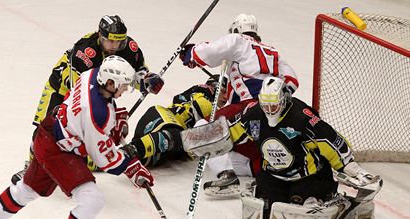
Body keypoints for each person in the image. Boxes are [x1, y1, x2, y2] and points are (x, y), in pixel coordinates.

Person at [0, 56, 154, 219]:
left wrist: (112, 123)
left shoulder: (92, 74)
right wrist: (130, 165)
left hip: (48, 133)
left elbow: (91, 118)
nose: (125, 89)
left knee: (27, 190)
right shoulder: (96, 113)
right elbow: (103, 159)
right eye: (123, 85)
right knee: (92, 200)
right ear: (110, 83)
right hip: (60, 152)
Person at [11, 15, 164, 184]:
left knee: (91, 131)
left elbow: (136, 71)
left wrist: (146, 80)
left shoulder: (129, 48)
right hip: (61, 89)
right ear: (100, 36)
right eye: (110, 42)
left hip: (98, 90)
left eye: (119, 42)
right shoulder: (85, 53)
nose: (115, 46)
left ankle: (93, 156)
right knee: (44, 132)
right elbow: (80, 91)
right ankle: (31, 168)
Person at [179, 13, 299, 196]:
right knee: (237, 159)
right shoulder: (273, 51)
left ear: (236, 29)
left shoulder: (238, 40)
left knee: (201, 129)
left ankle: (226, 175)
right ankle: (272, 171)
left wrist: (190, 52)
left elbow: (207, 52)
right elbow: (292, 81)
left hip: (248, 108)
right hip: (275, 112)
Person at [231, 77, 381, 218]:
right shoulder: (253, 115)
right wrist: (214, 141)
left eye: (274, 105)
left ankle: (345, 206)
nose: (270, 110)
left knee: (301, 210)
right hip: (273, 175)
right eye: (266, 105)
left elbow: (329, 140)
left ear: (284, 100)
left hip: (310, 177)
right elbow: (232, 134)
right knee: (263, 206)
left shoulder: (301, 117)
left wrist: (349, 166)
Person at [123, 74, 228, 168]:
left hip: (167, 135)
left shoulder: (201, 97)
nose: (226, 97)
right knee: (177, 136)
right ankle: (126, 153)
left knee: (147, 159)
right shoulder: (202, 95)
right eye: (223, 91)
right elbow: (202, 106)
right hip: (161, 118)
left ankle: (124, 157)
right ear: (213, 87)